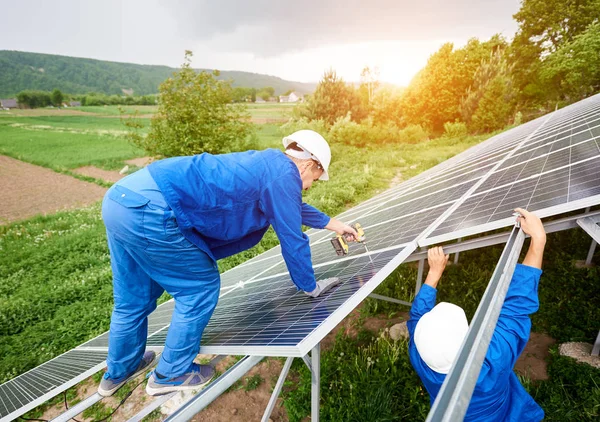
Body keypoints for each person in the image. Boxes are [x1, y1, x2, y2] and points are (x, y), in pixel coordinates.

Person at [98, 130, 357, 396]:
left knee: (133, 299)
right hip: (152, 208)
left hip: (121, 199)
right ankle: (170, 374)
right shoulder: (283, 175)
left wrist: (336, 225)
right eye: (313, 179)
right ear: (307, 164)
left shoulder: (268, 165)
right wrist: (309, 286)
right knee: (198, 287)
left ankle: (120, 370)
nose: (309, 187)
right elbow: (292, 237)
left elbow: (290, 207)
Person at [407, 208, 546, 421]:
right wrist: (538, 238)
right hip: (500, 413)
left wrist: (434, 273)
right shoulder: (493, 359)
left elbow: (417, 317)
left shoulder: (420, 355)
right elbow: (516, 306)